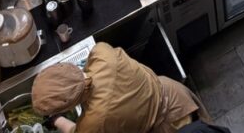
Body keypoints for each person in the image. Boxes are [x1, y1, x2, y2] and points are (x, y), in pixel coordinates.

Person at [31, 41, 208, 133]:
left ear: (68, 105)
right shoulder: (102, 54)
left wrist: (56, 120)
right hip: (173, 93)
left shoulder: (94, 122)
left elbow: (75, 131)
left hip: (168, 127)